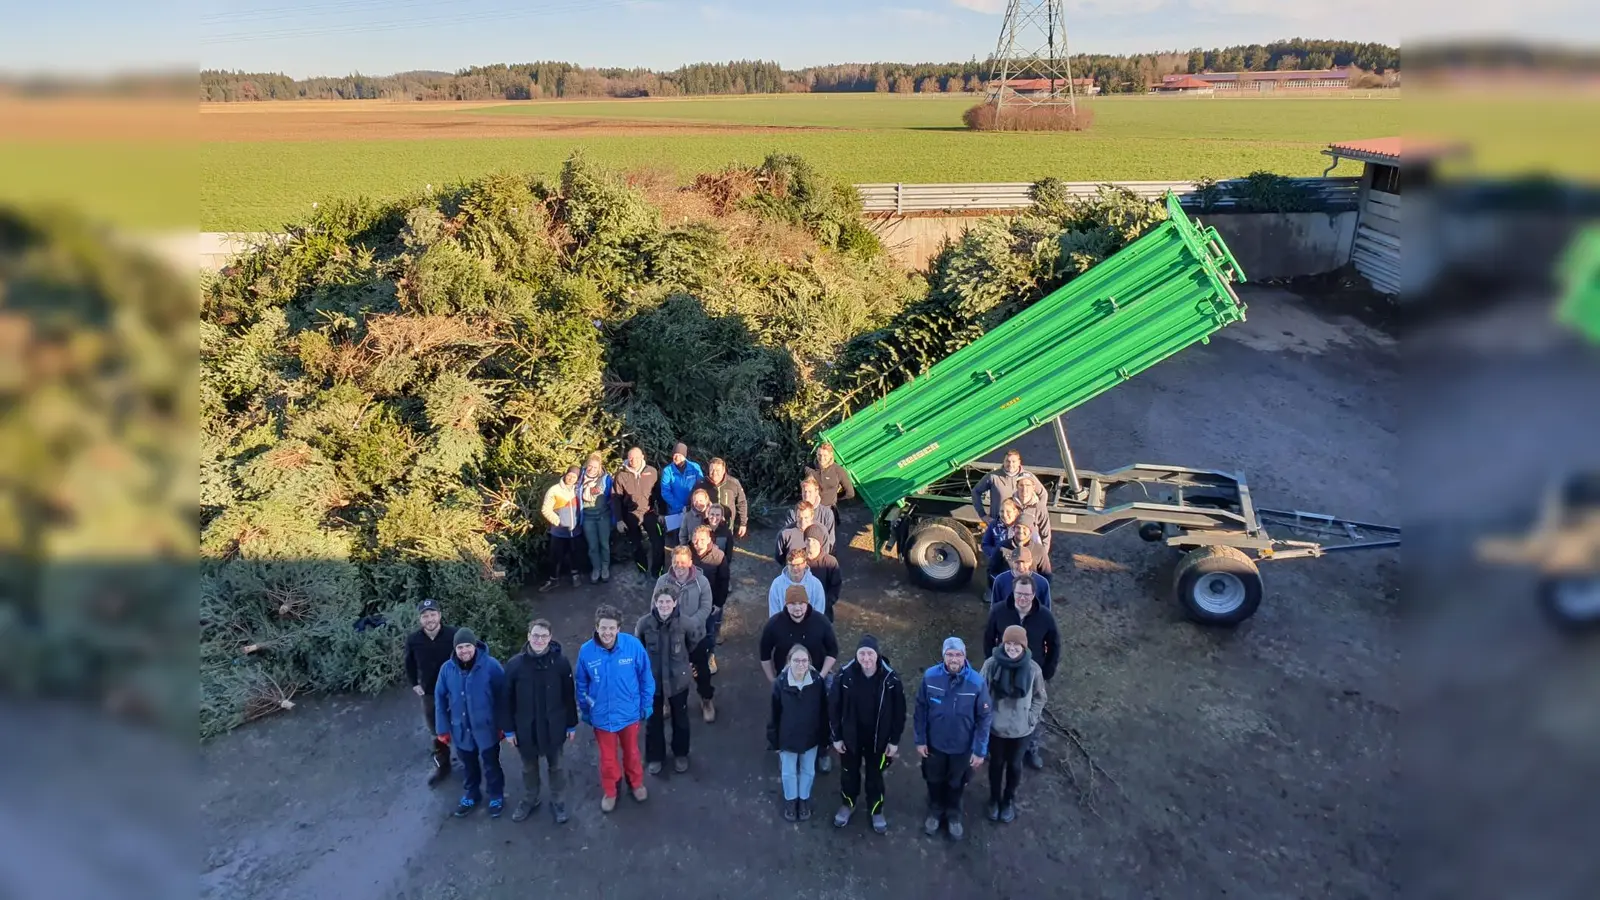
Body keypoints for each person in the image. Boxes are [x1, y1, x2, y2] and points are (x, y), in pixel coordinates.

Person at [575, 604, 656, 813]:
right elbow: (581, 684)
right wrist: (585, 708)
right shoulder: (586, 652)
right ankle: (611, 791)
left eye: (611, 628)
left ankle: (636, 783)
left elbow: (646, 676)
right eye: (603, 628)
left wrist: (646, 703)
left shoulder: (634, 646)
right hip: (602, 717)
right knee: (608, 758)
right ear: (596, 627)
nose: (607, 633)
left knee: (632, 752)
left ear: (619, 628)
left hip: (629, 714)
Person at [913, 637, 993, 841]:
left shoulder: (976, 682)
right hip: (935, 745)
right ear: (943, 656)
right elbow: (920, 709)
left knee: (957, 783)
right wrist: (920, 740)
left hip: (962, 748)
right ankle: (934, 811)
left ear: (965, 656)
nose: (954, 659)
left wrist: (979, 750)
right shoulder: (930, 677)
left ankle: (954, 815)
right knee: (933, 779)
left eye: (958, 654)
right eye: (950, 654)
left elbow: (984, 718)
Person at [501, 618, 578, 825]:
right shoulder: (514, 665)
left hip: (554, 727)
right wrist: (508, 730)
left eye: (544, 636)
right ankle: (530, 799)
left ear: (550, 638)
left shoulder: (560, 663)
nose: (539, 640)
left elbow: (569, 696)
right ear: (528, 636)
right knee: (528, 768)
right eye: (535, 635)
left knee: (557, 767)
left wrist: (571, 724)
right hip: (526, 729)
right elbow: (506, 700)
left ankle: (558, 801)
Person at [830, 634, 906, 835]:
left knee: (875, 776)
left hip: (878, 741)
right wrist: (836, 737)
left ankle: (876, 810)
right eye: (861, 653)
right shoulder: (844, 675)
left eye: (870, 653)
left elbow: (899, 712)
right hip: (850, 738)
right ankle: (848, 804)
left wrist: (894, 741)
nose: (866, 658)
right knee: (849, 774)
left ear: (877, 654)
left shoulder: (891, 679)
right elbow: (834, 708)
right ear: (856, 655)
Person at [760, 584, 839, 774]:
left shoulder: (821, 622)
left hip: (816, 679)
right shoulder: (774, 624)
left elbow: (833, 651)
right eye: (792, 604)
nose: (797, 608)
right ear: (785, 605)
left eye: (801, 603)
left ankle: (822, 752)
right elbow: (764, 654)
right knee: (786, 718)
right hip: (787, 683)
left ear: (807, 603)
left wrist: (821, 677)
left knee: (823, 715)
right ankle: (785, 752)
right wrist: (774, 680)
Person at [982, 577, 1060, 770]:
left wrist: (1047, 670)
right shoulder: (999, 611)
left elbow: (1054, 644)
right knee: (1000, 707)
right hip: (1003, 670)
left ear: (1033, 595)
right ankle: (995, 746)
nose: (1022, 598)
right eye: (1019, 593)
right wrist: (992, 662)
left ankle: (1030, 749)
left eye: (1026, 595)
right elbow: (988, 637)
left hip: (1033, 673)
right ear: (1013, 592)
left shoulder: (1045, 616)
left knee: (1033, 711)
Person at [434, 628, 509, 819]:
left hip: (487, 728)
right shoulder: (446, 670)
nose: (464, 650)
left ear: (475, 646)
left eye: (468, 646)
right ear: (455, 649)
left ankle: (496, 795)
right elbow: (440, 699)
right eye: (460, 647)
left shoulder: (491, 666)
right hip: (460, 729)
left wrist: (504, 725)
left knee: (491, 764)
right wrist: (442, 729)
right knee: (468, 765)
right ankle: (471, 794)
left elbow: (503, 697)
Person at [980, 625, 1047, 824]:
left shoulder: (1033, 669)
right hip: (996, 728)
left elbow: (1039, 697)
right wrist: (985, 716)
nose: (1012, 648)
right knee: (996, 764)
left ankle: (1008, 800)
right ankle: (994, 799)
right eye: (1008, 643)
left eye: (1016, 645)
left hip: (1021, 730)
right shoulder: (991, 664)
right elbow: (980, 692)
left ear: (1024, 646)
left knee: (1015, 765)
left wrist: (1031, 718)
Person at [635, 585, 703, 775]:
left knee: (680, 719)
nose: (664, 605)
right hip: (652, 682)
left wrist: (683, 665)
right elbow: (638, 650)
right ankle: (655, 756)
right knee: (653, 720)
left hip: (678, 681)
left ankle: (680, 754)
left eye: (668, 601)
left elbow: (693, 644)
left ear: (675, 603)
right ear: (655, 603)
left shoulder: (686, 624)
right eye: (660, 601)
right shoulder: (644, 624)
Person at [767, 644, 831, 823]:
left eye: (804, 660)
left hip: (811, 737)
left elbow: (823, 712)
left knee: (808, 770)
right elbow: (774, 714)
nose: (800, 664)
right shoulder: (780, 683)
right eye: (796, 660)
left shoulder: (817, 682)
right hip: (787, 738)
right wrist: (774, 741)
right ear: (789, 662)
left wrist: (825, 738)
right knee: (788, 772)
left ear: (809, 662)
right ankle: (791, 800)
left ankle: (803, 800)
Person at [654, 545, 718, 723]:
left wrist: (686, 626)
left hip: (696, 636)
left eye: (683, 562)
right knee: (667, 672)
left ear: (690, 562)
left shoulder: (702, 582)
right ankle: (666, 702)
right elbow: (655, 607)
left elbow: (706, 608)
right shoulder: (662, 582)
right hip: (669, 637)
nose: (679, 566)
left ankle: (706, 700)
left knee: (702, 671)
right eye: (675, 562)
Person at [404, 599, 459, 786]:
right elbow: (409, 663)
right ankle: (443, 766)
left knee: (464, 725)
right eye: (425, 616)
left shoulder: (453, 634)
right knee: (436, 731)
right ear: (420, 619)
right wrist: (414, 683)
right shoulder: (413, 640)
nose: (429, 619)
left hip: (454, 691)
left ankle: (471, 761)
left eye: (432, 614)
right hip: (429, 693)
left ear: (440, 615)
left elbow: (466, 656)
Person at [613, 446, 665, 579]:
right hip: (630, 514)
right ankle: (642, 568)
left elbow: (658, 494)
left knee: (658, 543)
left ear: (643, 457)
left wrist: (662, 513)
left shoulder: (652, 472)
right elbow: (616, 499)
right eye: (630, 457)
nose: (633, 460)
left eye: (636, 457)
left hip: (649, 512)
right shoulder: (621, 475)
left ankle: (657, 572)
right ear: (627, 458)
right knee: (636, 544)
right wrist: (619, 519)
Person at [539, 466, 583, 591]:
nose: (571, 478)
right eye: (570, 475)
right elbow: (545, 509)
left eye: (574, 477)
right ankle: (553, 580)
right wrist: (558, 522)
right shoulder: (554, 490)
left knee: (575, 554)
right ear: (565, 474)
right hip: (559, 532)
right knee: (555, 556)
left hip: (575, 531)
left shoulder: (578, 490)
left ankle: (575, 575)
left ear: (577, 479)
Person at [971, 449, 1043, 525]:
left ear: (1019, 462)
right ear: (1003, 461)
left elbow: (1043, 494)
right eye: (1007, 461)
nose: (1010, 464)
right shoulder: (993, 476)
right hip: (998, 524)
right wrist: (983, 515)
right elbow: (975, 492)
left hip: (1020, 527)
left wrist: (1039, 514)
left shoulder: (1028, 477)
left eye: (1014, 461)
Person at [980, 498, 1043, 584]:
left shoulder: (1024, 527)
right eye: (1002, 511)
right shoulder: (994, 525)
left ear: (1016, 512)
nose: (1005, 515)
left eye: (1008, 512)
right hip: (1002, 566)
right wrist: (997, 553)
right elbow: (985, 544)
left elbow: (1037, 549)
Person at [689, 524, 730, 647]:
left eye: (702, 539)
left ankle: (710, 655)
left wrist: (719, 604)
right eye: (695, 539)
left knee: (709, 631)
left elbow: (724, 581)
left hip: (711, 601)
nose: (698, 543)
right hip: (691, 600)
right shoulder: (687, 552)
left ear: (709, 540)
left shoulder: (719, 556)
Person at [576, 452, 614, 583]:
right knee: (592, 546)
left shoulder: (606, 479)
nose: (592, 469)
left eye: (595, 467)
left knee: (604, 544)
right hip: (588, 518)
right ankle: (596, 568)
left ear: (600, 468)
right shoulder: (579, 479)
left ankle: (605, 567)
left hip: (603, 516)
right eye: (590, 466)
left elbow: (613, 497)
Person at [696, 457, 748, 542]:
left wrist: (743, 523)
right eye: (712, 470)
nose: (714, 473)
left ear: (724, 470)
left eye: (718, 470)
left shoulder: (733, 483)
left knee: (725, 550)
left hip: (727, 526)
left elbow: (742, 503)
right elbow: (693, 502)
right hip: (707, 526)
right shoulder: (701, 484)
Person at [658, 442, 704, 536]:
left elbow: (701, 487)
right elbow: (665, 491)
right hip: (675, 511)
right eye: (675, 454)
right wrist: (679, 506)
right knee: (677, 538)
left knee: (693, 536)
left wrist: (695, 505)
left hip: (694, 509)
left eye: (679, 455)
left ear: (684, 455)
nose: (676, 457)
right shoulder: (668, 470)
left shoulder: (694, 467)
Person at [804, 442, 855, 524]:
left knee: (830, 536)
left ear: (831, 455)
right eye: (819, 455)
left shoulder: (838, 470)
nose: (821, 458)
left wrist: (835, 498)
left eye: (825, 455)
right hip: (812, 512)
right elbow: (804, 489)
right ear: (816, 454)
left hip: (830, 512)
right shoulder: (808, 469)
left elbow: (850, 493)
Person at [768, 548, 826, 617]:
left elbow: (819, 613)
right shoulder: (777, 584)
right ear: (787, 564)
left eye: (798, 564)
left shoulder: (816, 585)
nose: (795, 568)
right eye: (791, 565)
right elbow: (774, 613)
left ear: (805, 564)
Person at [989, 554, 1054, 610]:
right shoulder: (1001, 580)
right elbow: (994, 607)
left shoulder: (1042, 583)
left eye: (1024, 562)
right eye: (1017, 562)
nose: (1021, 567)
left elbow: (1046, 610)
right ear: (1011, 562)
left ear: (1030, 562)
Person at [804, 532, 842, 623]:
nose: (810, 543)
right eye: (808, 540)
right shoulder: (798, 559)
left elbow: (836, 586)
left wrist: (825, 603)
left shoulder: (830, 562)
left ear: (820, 543)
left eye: (814, 541)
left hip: (824, 613)